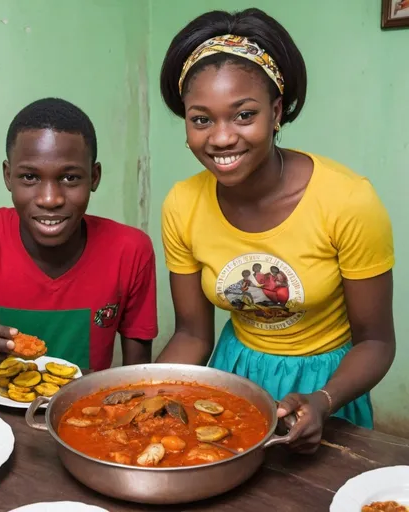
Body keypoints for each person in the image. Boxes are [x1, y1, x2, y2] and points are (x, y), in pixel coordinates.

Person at [156, 8, 395, 453]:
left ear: (277, 110)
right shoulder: (182, 204)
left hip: (327, 386)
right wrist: (145, 394)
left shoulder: (347, 201)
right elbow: (191, 334)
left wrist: (324, 401)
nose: (221, 138)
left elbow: (377, 341)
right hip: (233, 370)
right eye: (201, 119)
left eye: (243, 115)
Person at [0, 98, 158, 378]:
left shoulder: (129, 251)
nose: (50, 199)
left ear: (94, 177)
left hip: (79, 415)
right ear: (8, 176)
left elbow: (138, 378)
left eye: (70, 178)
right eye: (30, 177)